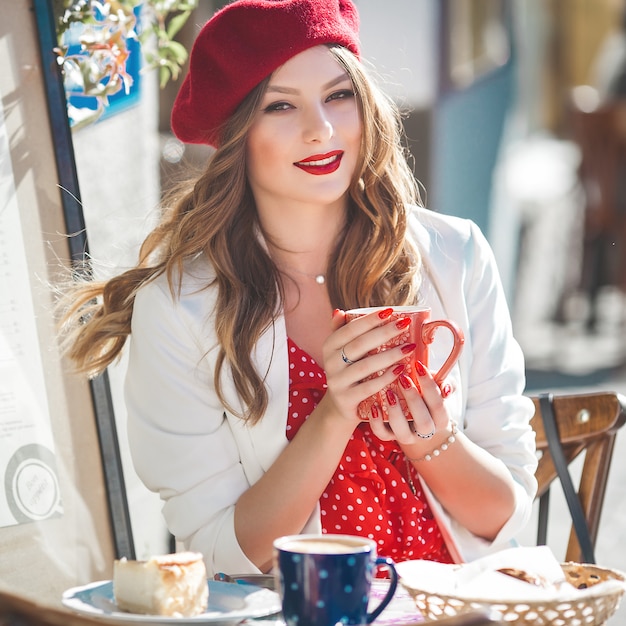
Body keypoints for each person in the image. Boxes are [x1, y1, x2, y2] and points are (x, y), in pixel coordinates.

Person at [59, 0, 538, 576]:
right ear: (237, 137)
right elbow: (223, 552)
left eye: (339, 95)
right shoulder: (178, 306)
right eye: (281, 106)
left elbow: (506, 516)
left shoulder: (455, 256)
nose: (322, 130)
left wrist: (432, 439)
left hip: (455, 607)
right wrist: (335, 413)